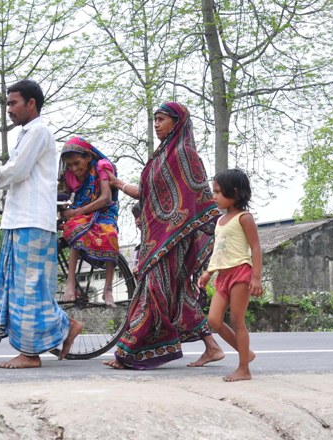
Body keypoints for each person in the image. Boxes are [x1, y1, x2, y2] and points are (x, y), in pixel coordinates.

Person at [0, 79, 83, 369]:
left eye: (13, 103)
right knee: (20, 287)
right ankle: (66, 325)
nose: (9, 109)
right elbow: (11, 174)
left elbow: (16, 170)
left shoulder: (39, 131)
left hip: (33, 219)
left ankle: (31, 354)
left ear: (31, 103)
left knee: (29, 288)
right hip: (19, 218)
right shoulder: (26, 134)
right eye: (7, 103)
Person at [105, 102, 225, 369]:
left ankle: (131, 352)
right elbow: (144, 194)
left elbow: (200, 198)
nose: (157, 125)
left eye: (161, 119)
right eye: (155, 120)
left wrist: (183, 228)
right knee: (179, 294)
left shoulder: (186, 155)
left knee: (154, 291)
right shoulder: (159, 157)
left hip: (175, 240)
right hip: (155, 239)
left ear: (177, 122)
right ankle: (212, 347)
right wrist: (117, 183)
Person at [198, 168, 263, 381]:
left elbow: (256, 247)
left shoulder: (245, 218)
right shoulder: (220, 221)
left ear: (234, 192)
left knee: (237, 320)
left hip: (240, 273)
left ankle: (244, 369)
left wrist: (256, 278)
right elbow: (219, 250)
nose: (214, 196)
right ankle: (246, 353)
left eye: (218, 192)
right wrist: (209, 272)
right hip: (223, 276)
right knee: (214, 320)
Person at [58, 136, 119, 307]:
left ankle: (108, 289)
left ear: (89, 157)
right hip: (80, 211)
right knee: (75, 229)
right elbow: (61, 195)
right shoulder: (68, 175)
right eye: (70, 165)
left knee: (110, 234)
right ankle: (70, 282)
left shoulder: (101, 167)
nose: (74, 168)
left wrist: (76, 212)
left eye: (77, 163)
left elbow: (106, 198)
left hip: (104, 210)